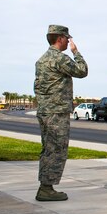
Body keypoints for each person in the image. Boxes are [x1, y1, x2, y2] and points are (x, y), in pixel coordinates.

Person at [34, 25, 88, 201]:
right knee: (57, 149)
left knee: (48, 148)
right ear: (60, 39)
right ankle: (46, 188)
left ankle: (45, 185)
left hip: (45, 110)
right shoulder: (59, 58)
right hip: (56, 111)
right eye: (67, 38)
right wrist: (76, 52)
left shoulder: (42, 60)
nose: (68, 41)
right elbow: (82, 71)